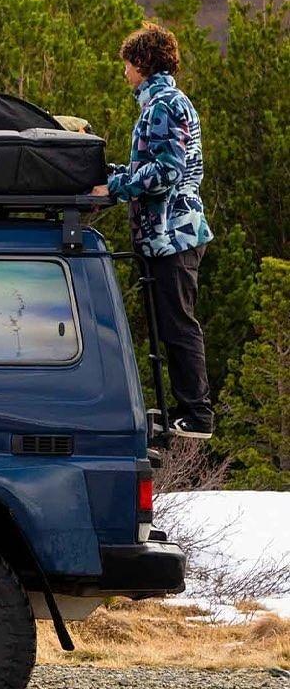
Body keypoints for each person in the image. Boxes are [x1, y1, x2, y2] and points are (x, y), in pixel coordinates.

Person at [91, 23, 214, 438]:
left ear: (141, 62)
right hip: (162, 235)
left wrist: (118, 187)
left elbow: (166, 172)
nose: (124, 72)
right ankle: (182, 408)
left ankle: (197, 414)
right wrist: (111, 175)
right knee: (168, 322)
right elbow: (153, 166)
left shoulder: (164, 105)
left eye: (126, 63)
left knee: (178, 323)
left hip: (174, 234)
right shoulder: (160, 104)